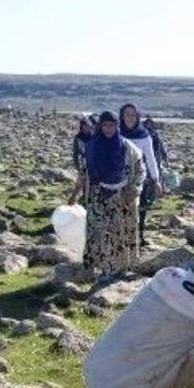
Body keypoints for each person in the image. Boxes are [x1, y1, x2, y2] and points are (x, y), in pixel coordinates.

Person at [68, 111, 145, 275]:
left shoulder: (128, 148)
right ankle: (105, 269)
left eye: (112, 125)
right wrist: (75, 195)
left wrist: (134, 190)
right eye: (105, 125)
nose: (108, 129)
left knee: (120, 235)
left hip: (122, 198)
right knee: (101, 233)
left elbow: (140, 170)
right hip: (98, 198)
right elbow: (84, 172)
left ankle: (119, 268)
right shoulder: (92, 147)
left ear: (117, 126)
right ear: (100, 126)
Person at [118, 103, 162, 246]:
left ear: (137, 116)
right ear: (122, 116)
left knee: (140, 207)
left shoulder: (144, 135)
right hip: (118, 178)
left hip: (139, 177)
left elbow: (150, 158)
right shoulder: (116, 133)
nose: (130, 118)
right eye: (127, 114)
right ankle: (122, 237)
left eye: (133, 114)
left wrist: (156, 179)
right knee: (121, 208)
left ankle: (139, 236)